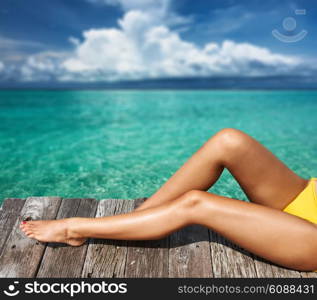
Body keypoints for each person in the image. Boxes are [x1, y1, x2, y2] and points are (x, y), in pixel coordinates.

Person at [20, 128, 317, 272]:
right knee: (229, 141)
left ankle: (74, 229)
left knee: (196, 203)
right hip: (309, 197)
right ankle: (141, 220)